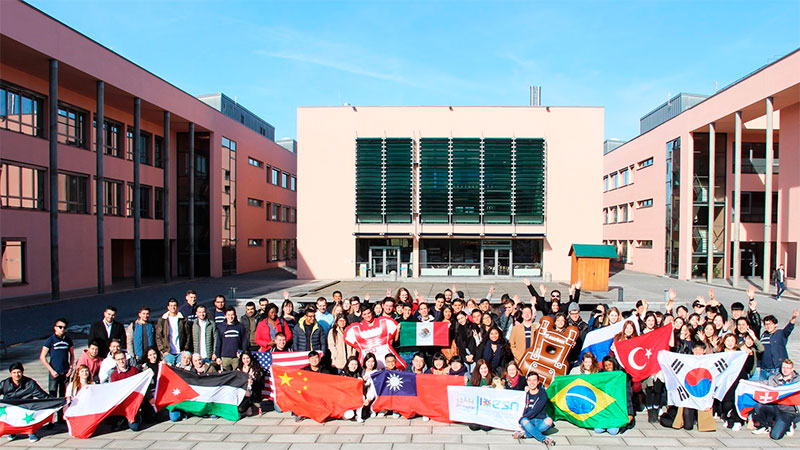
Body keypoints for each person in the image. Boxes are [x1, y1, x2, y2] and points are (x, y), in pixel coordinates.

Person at [1, 363, 50, 442]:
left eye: (18, 372)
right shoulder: (4, 383)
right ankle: (11, 431)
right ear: (11, 373)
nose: (16, 375)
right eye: (14, 373)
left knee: (28, 412)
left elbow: (43, 396)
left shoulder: (30, 383)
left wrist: (60, 400)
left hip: (25, 407)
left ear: (22, 372)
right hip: (11, 407)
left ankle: (30, 432)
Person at [752, 359, 799, 439]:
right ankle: (764, 426)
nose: (785, 370)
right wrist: (746, 382)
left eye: (788, 368)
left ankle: (789, 424)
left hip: (788, 411)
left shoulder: (797, 381)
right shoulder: (774, 378)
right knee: (759, 406)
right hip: (775, 407)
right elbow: (763, 383)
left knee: (775, 436)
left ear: (792, 369)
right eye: (783, 367)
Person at [40, 317, 73, 422]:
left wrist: (71, 367)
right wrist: (51, 370)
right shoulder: (51, 340)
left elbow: (72, 354)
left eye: (64, 327)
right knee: (52, 395)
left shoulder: (68, 340)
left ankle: (60, 417)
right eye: (60, 327)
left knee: (63, 395)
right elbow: (42, 357)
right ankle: (50, 419)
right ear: (55, 328)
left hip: (65, 371)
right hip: (54, 372)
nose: (62, 329)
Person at [512, 372, 555, 445]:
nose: (532, 383)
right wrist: (522, 420)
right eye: (530, 380)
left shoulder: (543, 394)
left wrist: (522, 419)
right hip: (528, 421)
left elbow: (536, 410)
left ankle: (526, 434)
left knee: (549, 421)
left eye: (534, 380)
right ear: (527, 382)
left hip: (539, 420)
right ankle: (543, 438)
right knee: (524, 420)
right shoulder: (526, 393)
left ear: (538, 382)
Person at [108, 350, 142, 431]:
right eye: (118, 359)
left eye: (122, 358)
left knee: (135, 427)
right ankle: (124, 418)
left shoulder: (134, 370)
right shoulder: (114, 375)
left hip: (134, 401)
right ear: (115, 361)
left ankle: (136, 416)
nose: (121, 361)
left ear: (126, 358)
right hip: (122, 402)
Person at [759, 310, 797, 380]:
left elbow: (789, 328)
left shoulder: (780, 334)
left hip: (776, 369)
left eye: (770, 324)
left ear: (775, 325)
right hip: (764, 369)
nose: (768, 326)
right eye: (766, 324)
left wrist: (794, 318)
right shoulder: (764, 335)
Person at [156, 298, 190, 365]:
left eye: (174, 305)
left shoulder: (182, 319)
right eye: (171, 306)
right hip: (168, 353)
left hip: (180, 352)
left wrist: (185, 348)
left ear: (177, 307)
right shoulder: (163, 320)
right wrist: (163, 350)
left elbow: (188, 335)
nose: (173, 307)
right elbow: (158, 336)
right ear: (168, 307)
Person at [216, 306, 247, 371]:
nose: (230, 317)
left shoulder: (240, 326)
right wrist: (218, 356)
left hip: (237, 357)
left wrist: (243, 353)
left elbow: (244, 341)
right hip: (225, 357)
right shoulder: (221, 327)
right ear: (225, 316)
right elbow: (218, 342)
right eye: (228, 315)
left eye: (232, 315)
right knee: (226, 376)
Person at [341, 357, 367, 422]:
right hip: (346, 399)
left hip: (356, 396)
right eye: (352, 364)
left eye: (356, 364)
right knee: (349, 414)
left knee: (362, 397)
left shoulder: (359, 374)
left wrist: (363, 381)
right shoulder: (343, 374)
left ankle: (358, 416)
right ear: (348, 365)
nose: (354, 366)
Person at [237, 352, 262, 417]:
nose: (246, 360)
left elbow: (261, 385)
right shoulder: (239, 369)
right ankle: (249, 406)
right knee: (239, 409)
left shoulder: (256, 369)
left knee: (241, 409)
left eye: (247, 358)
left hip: (253, 393)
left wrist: (254, 382)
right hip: (242, 394)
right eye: (244, 358)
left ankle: (252, 404)